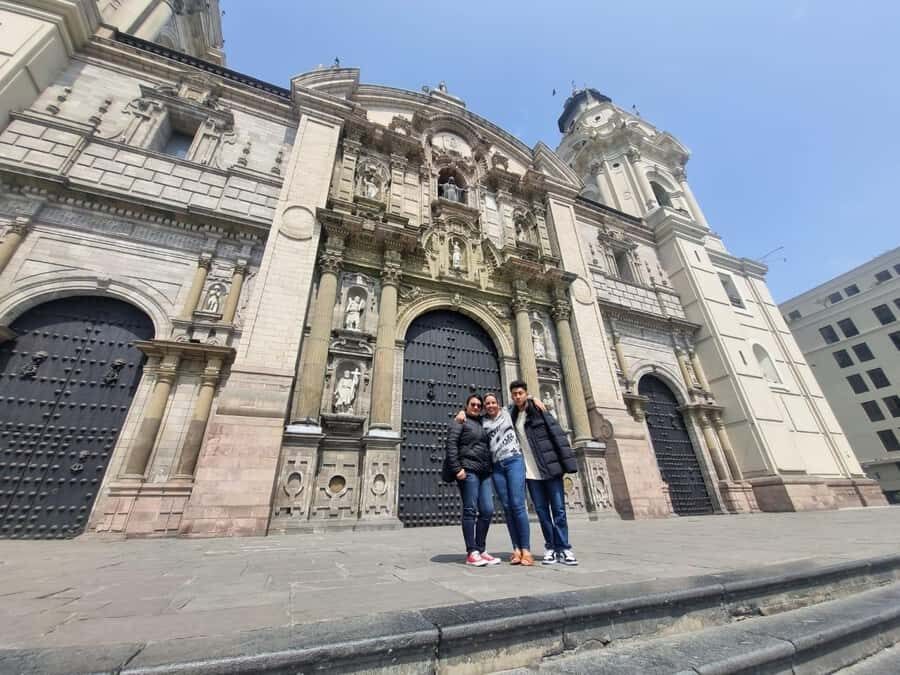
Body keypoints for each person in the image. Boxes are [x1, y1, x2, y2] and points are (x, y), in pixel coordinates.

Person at [509, 379, 580, 566]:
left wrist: (567, 464)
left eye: (520, 393)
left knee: (558, 510)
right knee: (541, 512)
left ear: (525, 393)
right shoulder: (513, 414)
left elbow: (557, 435)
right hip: (531, 474)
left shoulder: (539, 410)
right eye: (514, 394)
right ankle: (550, 547)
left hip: (550, 468)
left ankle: (564, 548)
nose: (517, 396)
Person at [444, 394, 500, 567]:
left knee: (488, 510)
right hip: (468, 470)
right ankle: (471, 552)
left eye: (478, 405)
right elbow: (451, 444)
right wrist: (457, 468)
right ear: (466, 406)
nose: (476, 407)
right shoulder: (460, 421)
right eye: (472, 405)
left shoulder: (483, 422)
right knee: (470, 509)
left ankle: (481, 549)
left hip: (484, 472)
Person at [481, 392, 534, 566]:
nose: (490, 405)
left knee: (518, 505)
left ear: (498, 403)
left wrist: (535, 399)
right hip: (497, 467)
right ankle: (516, 549)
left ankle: (526, 549)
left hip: (514, 461)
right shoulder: (484, 422)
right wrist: (461, 414)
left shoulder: (508, 412)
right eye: (487, 403)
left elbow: (524, 399)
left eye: (493, 402)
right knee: (507, 508)